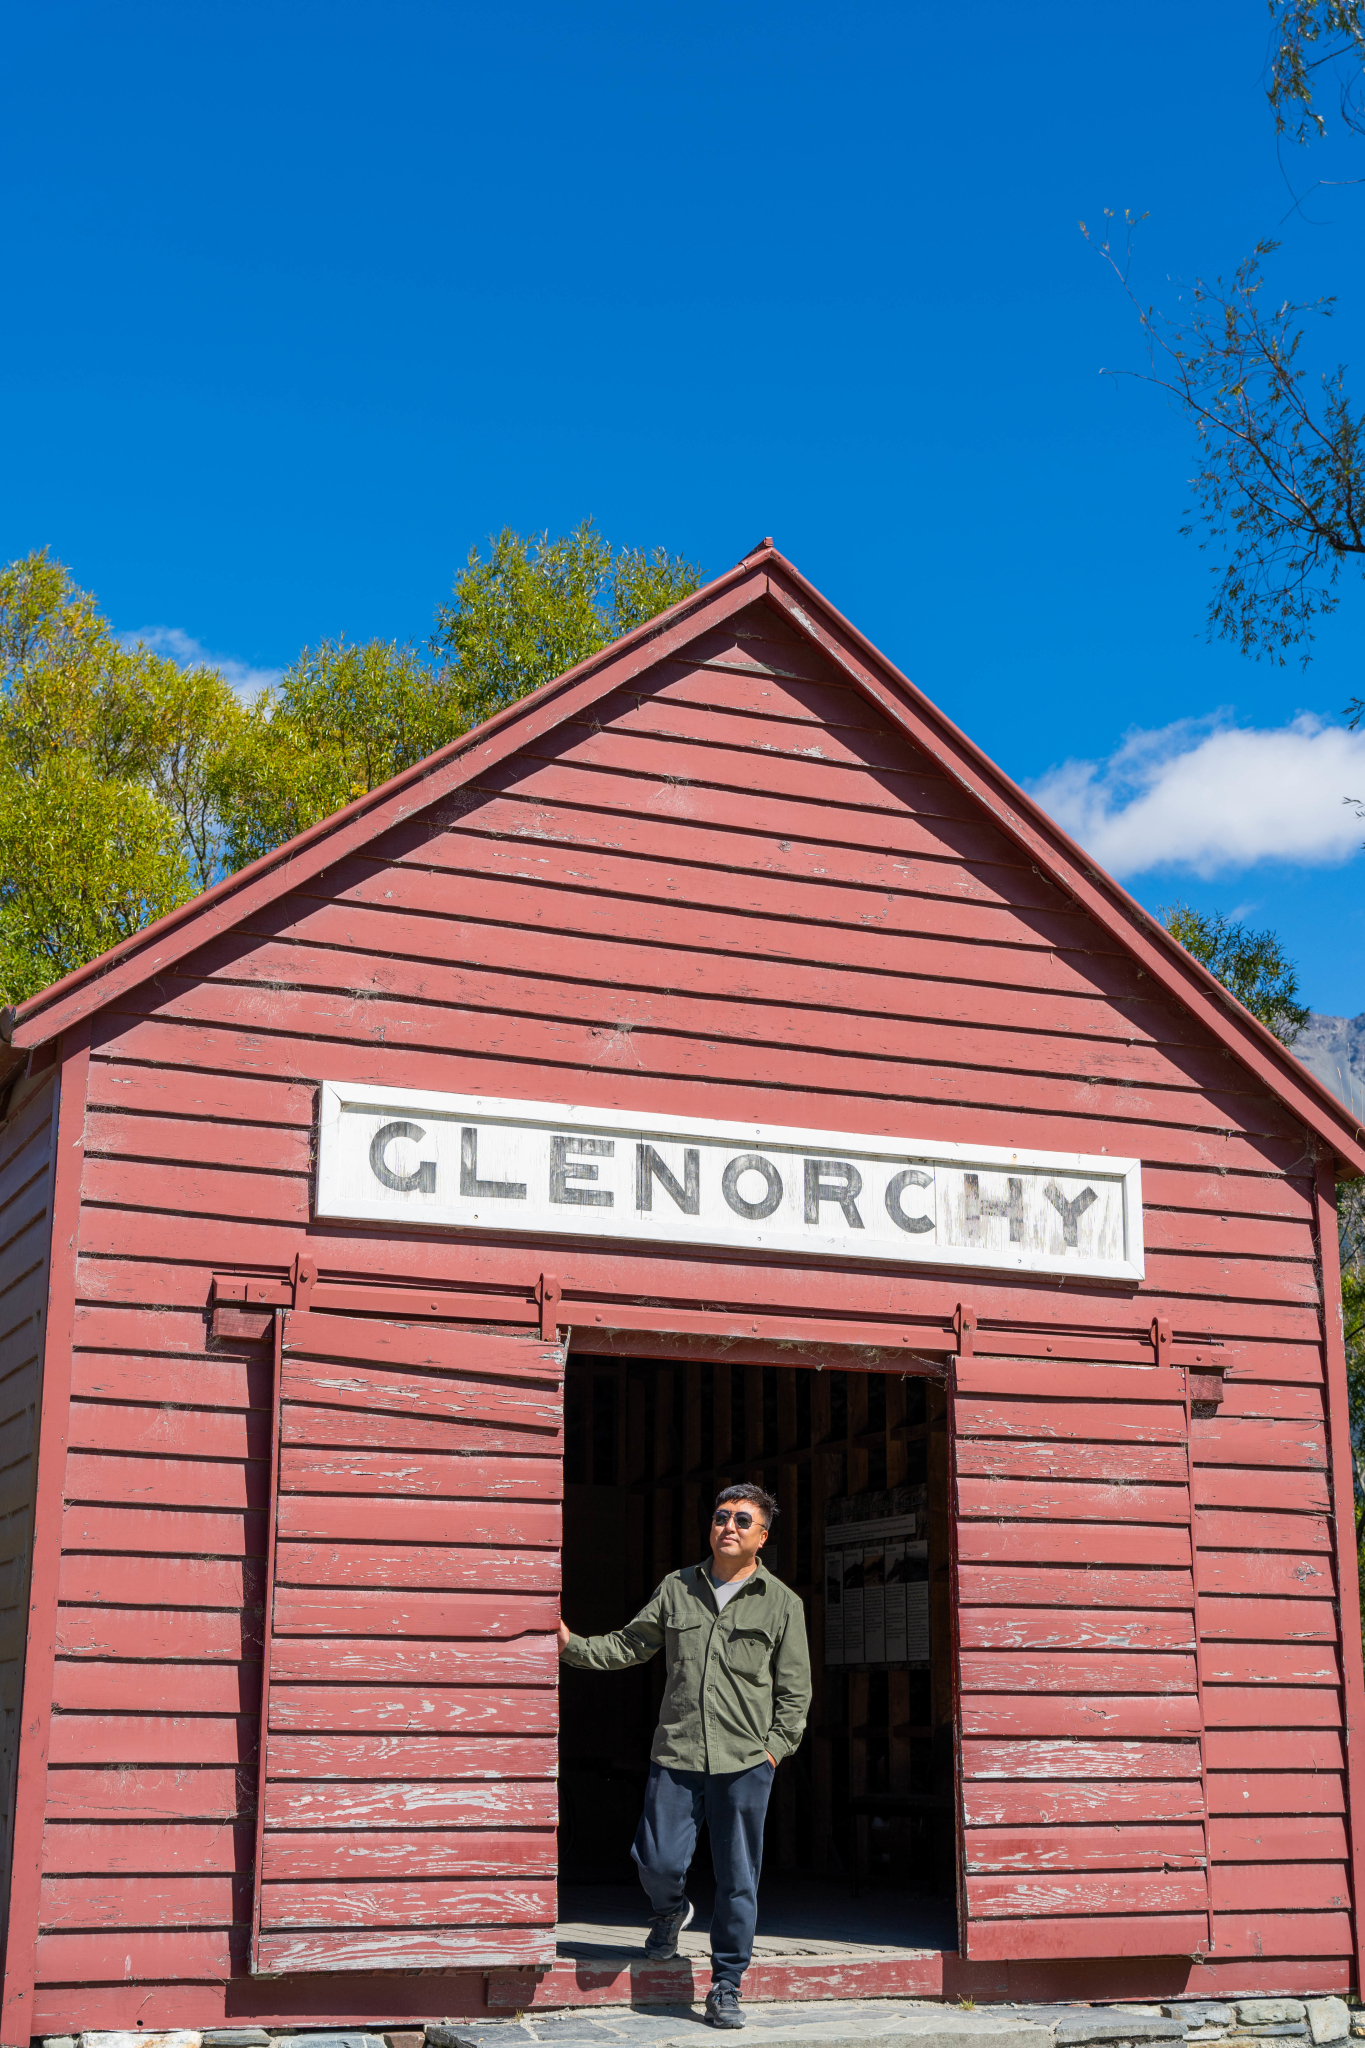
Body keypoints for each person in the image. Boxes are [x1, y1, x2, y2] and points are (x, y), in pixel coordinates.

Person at [557, 1481, 812, 2031]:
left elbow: (795, 1692)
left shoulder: (782, 1604)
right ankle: (669, 1912)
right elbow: (631, 1645)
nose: (729, 1527)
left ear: (761, 1537)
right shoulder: (677, 1588)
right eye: (722, 1517)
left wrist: (774, 1749)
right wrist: (571, 1645)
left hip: (745, 1761)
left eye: (743, 1521)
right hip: (677, 1752)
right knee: (658, 1860)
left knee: (738, 1878)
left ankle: (726, 1984)